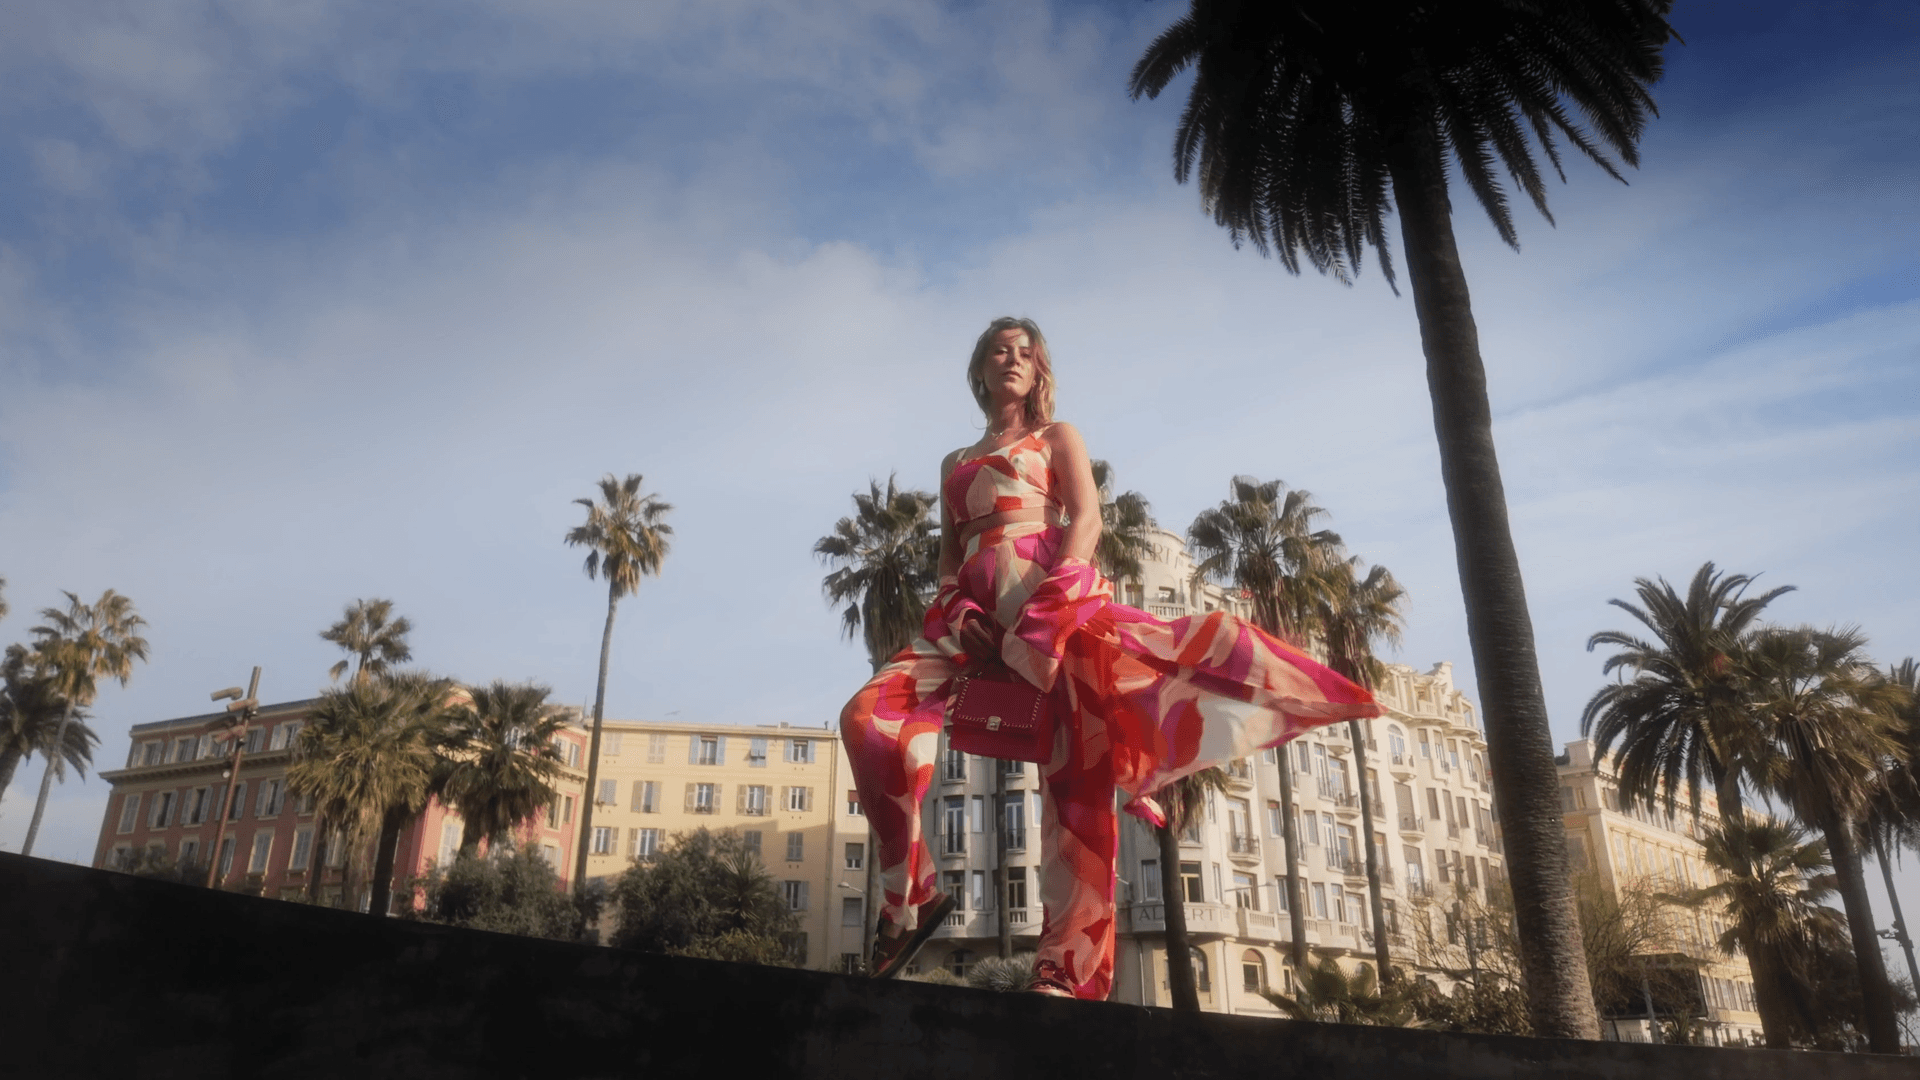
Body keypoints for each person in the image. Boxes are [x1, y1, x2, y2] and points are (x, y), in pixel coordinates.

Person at [840, 316, 1381, 998]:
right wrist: (963, 609)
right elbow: (949, 558)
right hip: (968, 620)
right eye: (999, 352)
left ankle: (1061, 973)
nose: (1013, 360)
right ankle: (910, 897)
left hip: (1047, 602)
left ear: (1039, 373)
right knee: (868, 717)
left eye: (1026, 353)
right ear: (979, 370)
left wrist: (1048, 611)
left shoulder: (1056, 438)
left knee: (1076, 786)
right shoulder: (954, 462)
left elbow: (1087, 521)